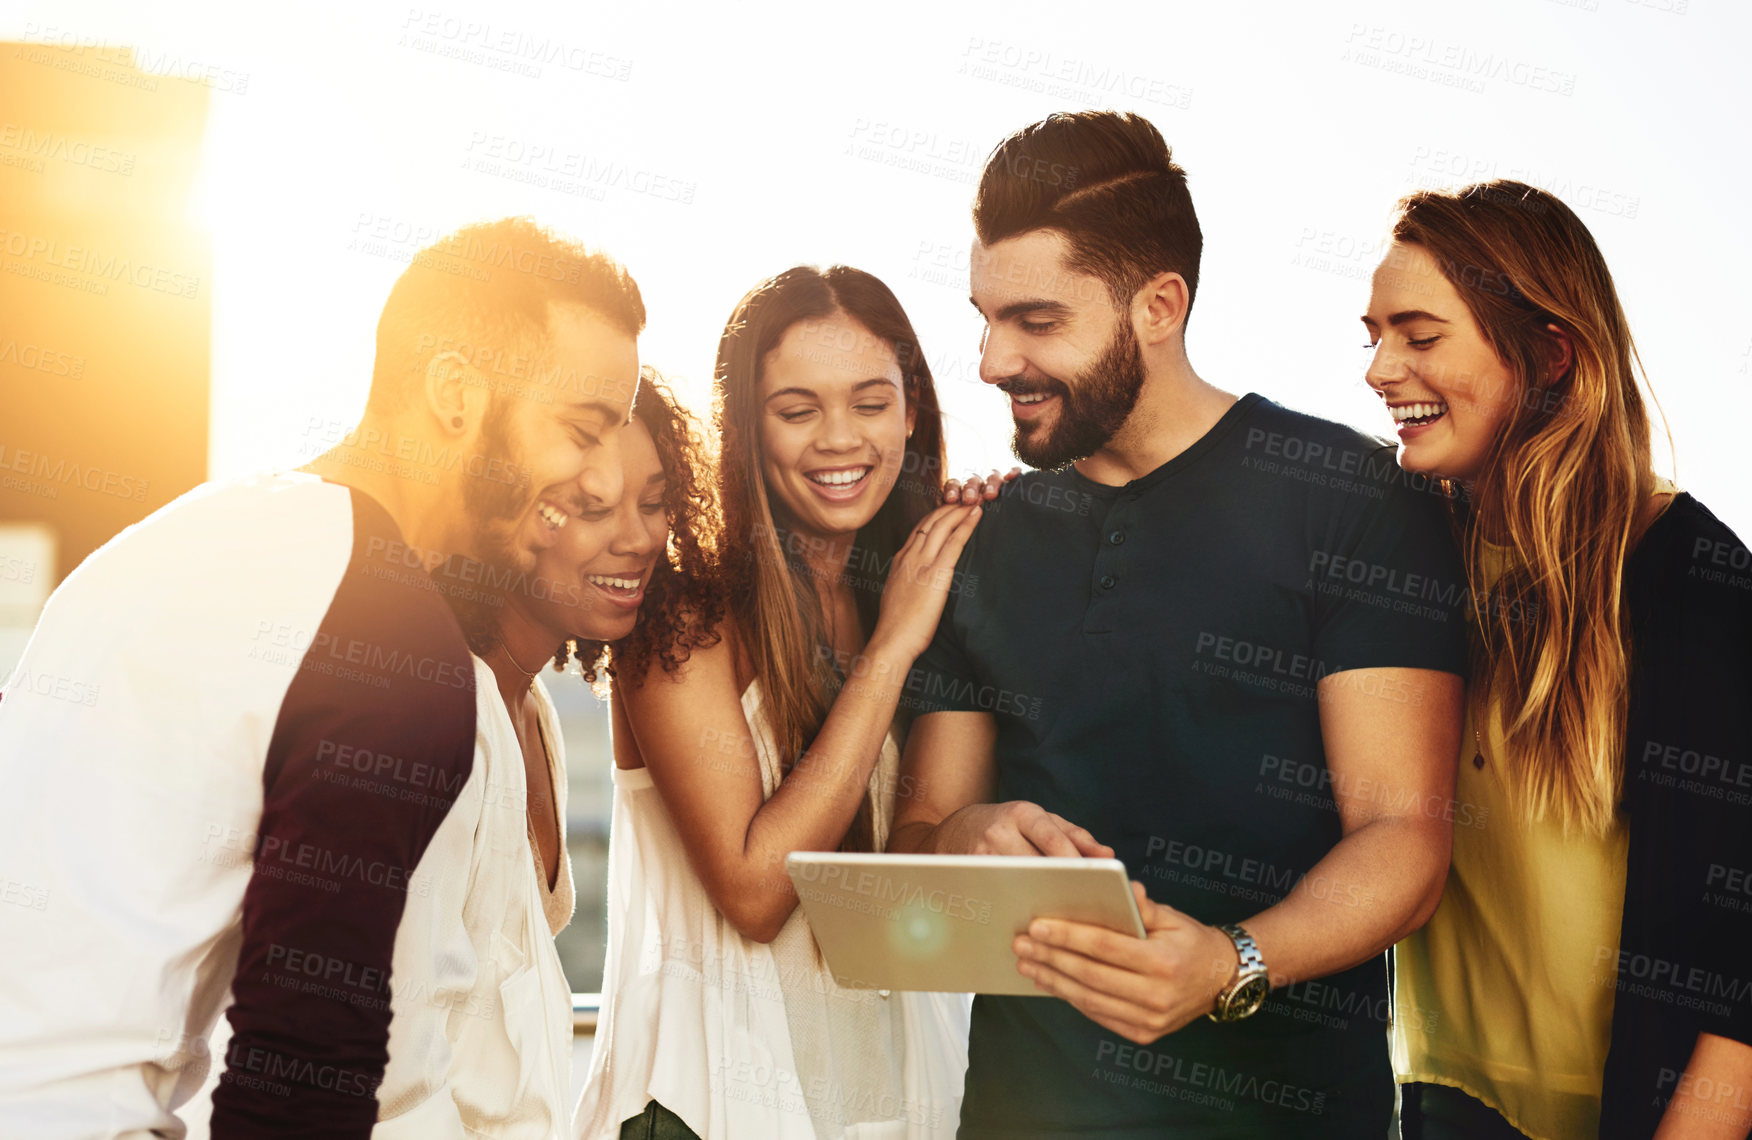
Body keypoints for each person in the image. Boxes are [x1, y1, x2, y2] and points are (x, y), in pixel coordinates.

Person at [889, 110, 1470, 1137]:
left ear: (1159, 305)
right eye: (984, 317)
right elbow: (922, 838)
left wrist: (1229, 964)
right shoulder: (979, 541)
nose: (988, 361)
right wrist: (971, 835)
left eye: (1035, 320)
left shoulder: (1352, 500)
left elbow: (1405, 839)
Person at [0, 216, 643, 1139]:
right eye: (584, 431)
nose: (599, 479)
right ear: (456, 394)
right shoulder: (388, 633)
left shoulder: (172, 541)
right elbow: (302, 1083)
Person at [1368, 182, 1752, 1140]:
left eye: (1420, 337)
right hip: (1440, 1103)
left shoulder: (1695, 579)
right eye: (1372, 335)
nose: (1380, 369)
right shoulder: (1398, 548)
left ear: (1548, 353)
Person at [574, 265, 987, 1140]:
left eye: (871, 403)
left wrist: (994, 566)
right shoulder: (682, 619)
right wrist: (894, 649)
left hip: (887, 1112)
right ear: (748, 432)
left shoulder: (916, 603)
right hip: (703, 1112)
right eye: (798, 411)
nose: (840, 439)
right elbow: (758, 894)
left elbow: (929, 875)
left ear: (912, 412)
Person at [418, 367, 717, 1137]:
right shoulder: (441, 711)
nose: (641, 536)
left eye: (654, 503)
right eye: (594, 507)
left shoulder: (535, 714)